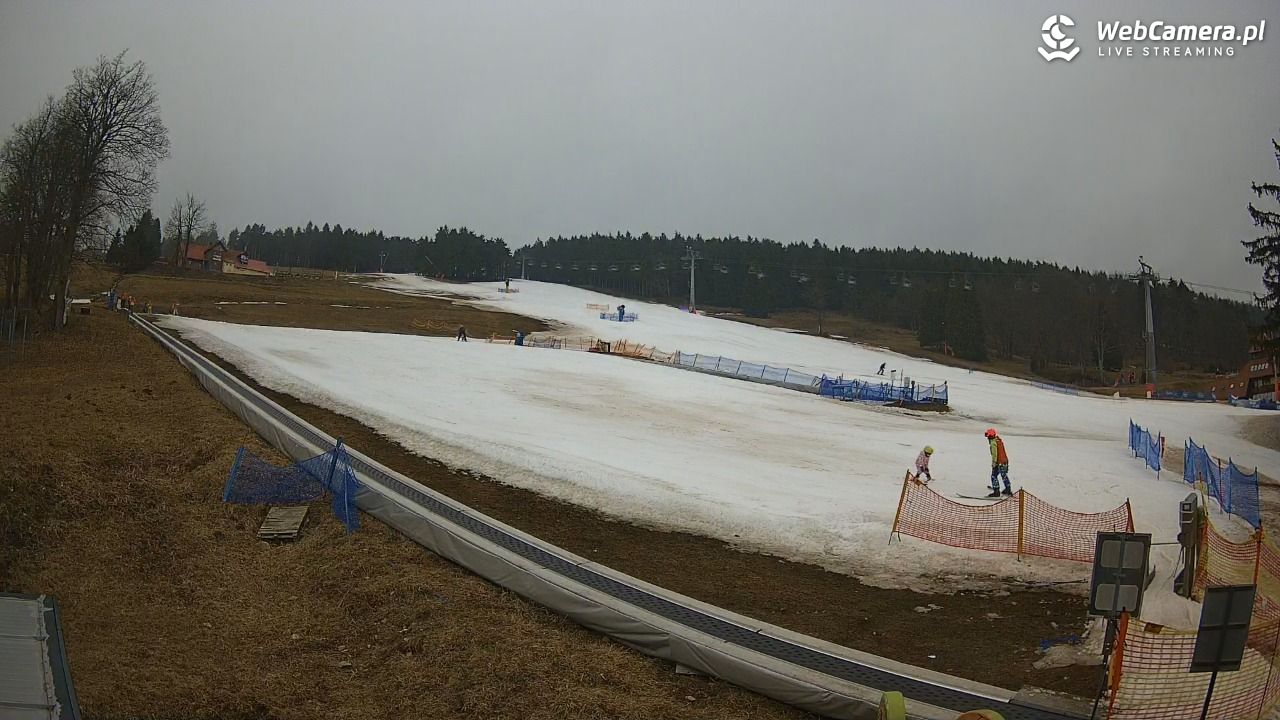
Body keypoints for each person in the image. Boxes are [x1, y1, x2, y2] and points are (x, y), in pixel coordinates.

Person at [985, 428, 1011, 498]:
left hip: (999, 462)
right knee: (1004, 475)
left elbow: (994, 454)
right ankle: (1008, 489)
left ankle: (996, 491)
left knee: (994, 476)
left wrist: (994, 463)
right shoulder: (998, 440)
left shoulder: (993, 443)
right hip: (1004, 461)